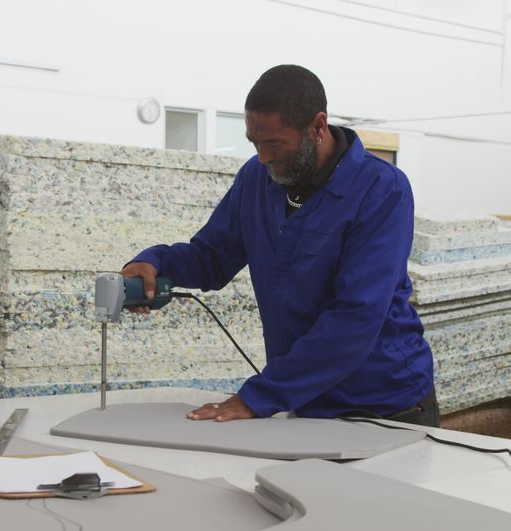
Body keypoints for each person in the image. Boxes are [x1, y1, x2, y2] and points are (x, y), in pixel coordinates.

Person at [122, 64, 437, 426]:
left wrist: (259, 397)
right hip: (305, 401)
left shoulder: (382, 189)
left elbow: (356, 314)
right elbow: (212, 256)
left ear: (317, 127)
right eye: (254, 143)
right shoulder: (257, 179)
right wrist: (156, 263)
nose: (263, 157)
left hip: (384, 404)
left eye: (274, 143)